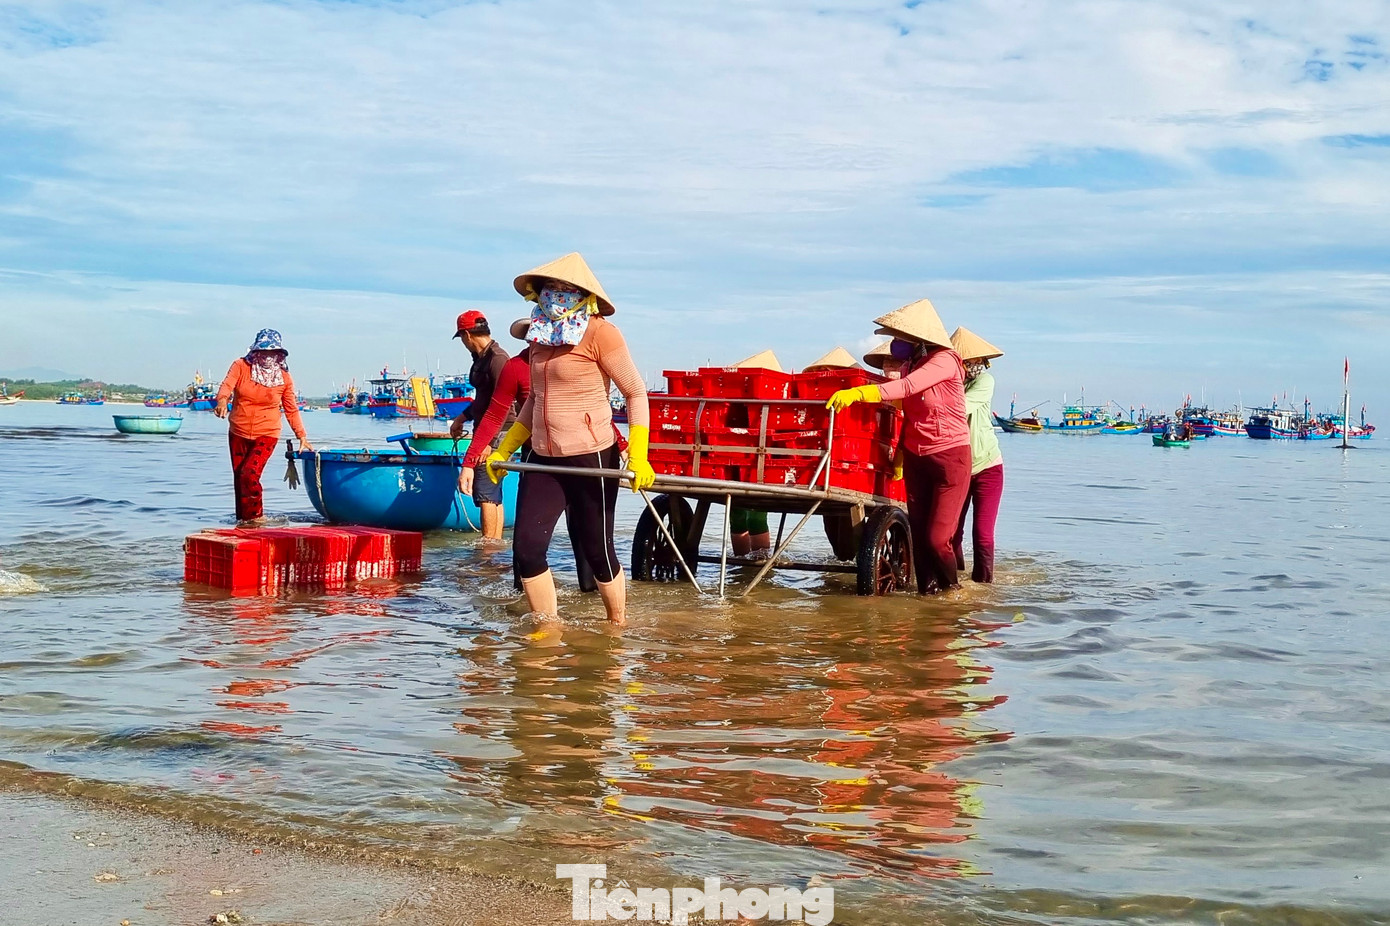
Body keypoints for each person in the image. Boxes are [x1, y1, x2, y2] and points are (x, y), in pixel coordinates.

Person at [485, 253, 653, 625]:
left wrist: (638, 454)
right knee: (527, 551)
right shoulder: (539, 335)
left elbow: (635, 392)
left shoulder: (601, 332)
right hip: (543, 456)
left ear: (583, 294)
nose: (555, 294)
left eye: (564, 288)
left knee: (597, 550)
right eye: (549, 288)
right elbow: (534, 400)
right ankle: (546, 632)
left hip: (590, 455)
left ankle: (616, 627)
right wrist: (505, 449)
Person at [828, 299, 970, 595]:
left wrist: (860, 393)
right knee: (918, 537)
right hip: (917, 455)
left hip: (950, 456)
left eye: (901, 337)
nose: (896, 342)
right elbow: (907, 408)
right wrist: (900, 456)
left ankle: (953, 593)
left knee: (937, 539)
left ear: (920, 339)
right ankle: (927, 594)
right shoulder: (910, 364)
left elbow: (906, 388)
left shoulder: (945, 360)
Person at [459, 319, 597, 594]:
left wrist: (623, 444)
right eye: (535, 334)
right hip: (536, 454)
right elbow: (494, 414)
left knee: (585, 535)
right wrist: (469, 462)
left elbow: (592, 406)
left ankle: (590, 597)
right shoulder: (515, 367)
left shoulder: (569, 364)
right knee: (525, 540)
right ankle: (521, 599)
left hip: (580, 454)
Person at [213, 329, 313, 525]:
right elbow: (226, 386)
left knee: (249, 473)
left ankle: (256, 518)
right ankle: (242, 522)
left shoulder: (284, 378)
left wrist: (302, 436)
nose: (267, 357)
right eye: (263, 352)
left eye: (272, 352)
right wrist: (222, 401)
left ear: (279, 355)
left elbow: (291, 409)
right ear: (255, 351)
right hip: (238, 431)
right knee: (239, 477)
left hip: (267, 433)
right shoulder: (240, 366)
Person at [949, 327, 1005, 584]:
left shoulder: (985, 382)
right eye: (968, 360)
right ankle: (955, 578)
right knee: (951, 533)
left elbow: (961, 407)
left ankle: (984, 586)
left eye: (977, 360)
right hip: (958, 469)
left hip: (987, 467)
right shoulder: (947, 384)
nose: (974, 365)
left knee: (982, 534)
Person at [449, 310, 511, 540]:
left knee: (485, 491)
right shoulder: (481, 358)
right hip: (488, 430)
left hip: (498, 431)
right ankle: (495, 546)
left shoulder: (497, 359)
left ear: (466, 335)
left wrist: (487, 442)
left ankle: (487, 550)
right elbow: (483, 400)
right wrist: (462, 417)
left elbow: (504, 405)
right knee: (493, 492)